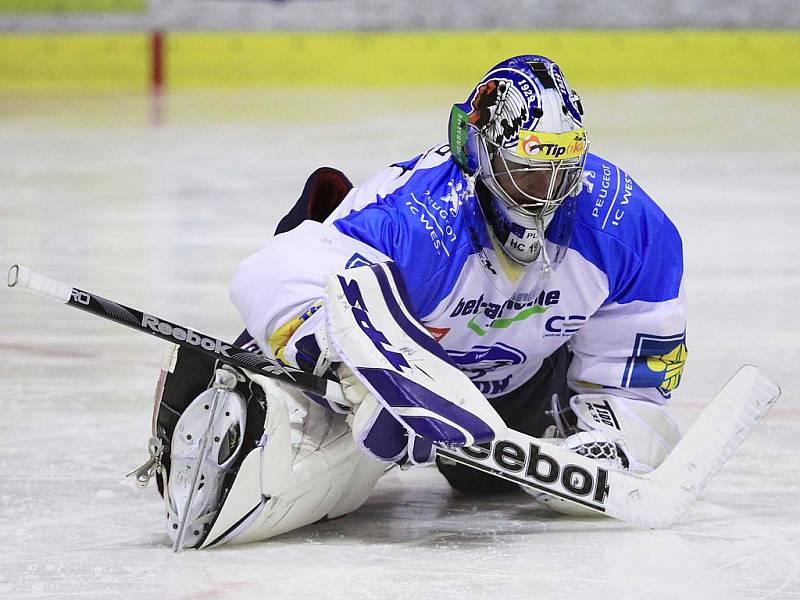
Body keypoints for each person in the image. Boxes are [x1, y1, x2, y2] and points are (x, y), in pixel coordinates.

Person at [145, 54, 687, 549]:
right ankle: (243, 414)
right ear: (478, 153)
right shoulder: (417, 221)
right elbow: (269, 273)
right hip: (395, 377)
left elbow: (636, 385)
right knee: (291, 474)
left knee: (511, 487)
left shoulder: (626, 225)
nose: (544, 194)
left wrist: (610, 444)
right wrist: (353, 362)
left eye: (560, 172)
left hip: (520, 398)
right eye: (526, 171)